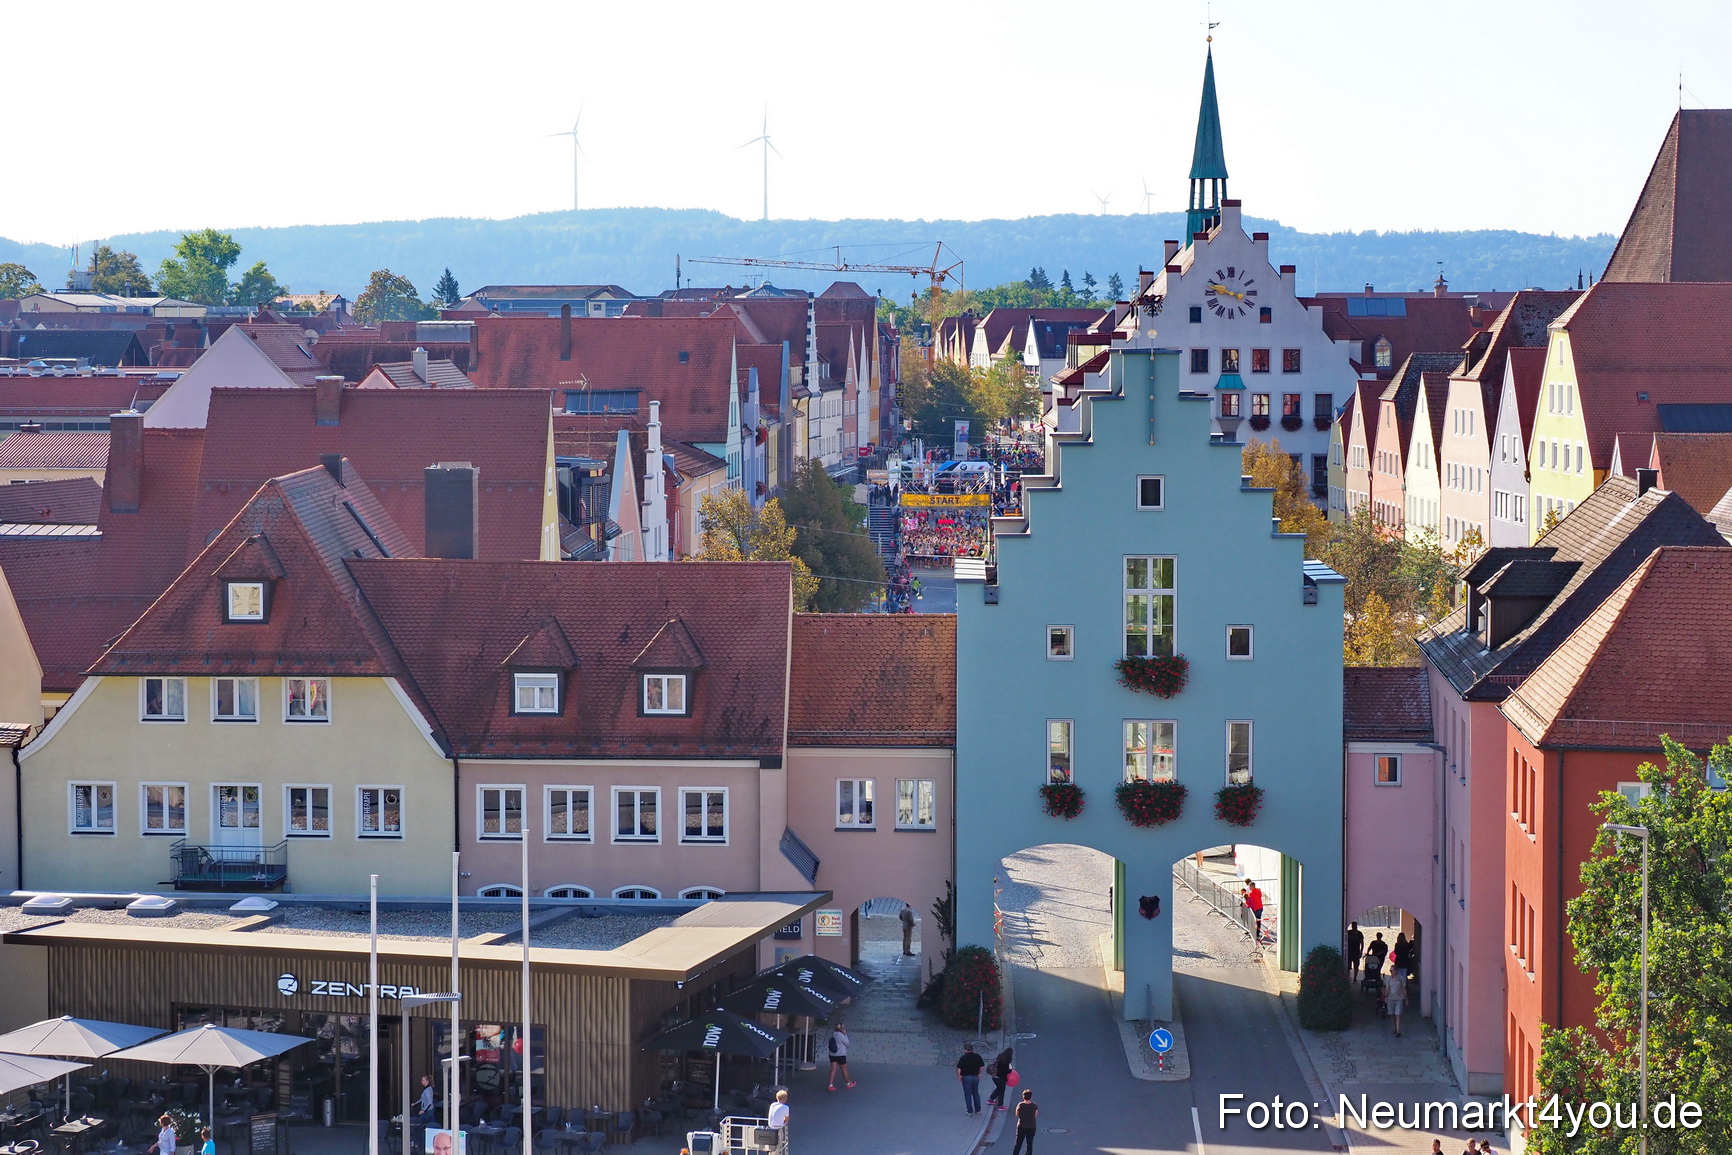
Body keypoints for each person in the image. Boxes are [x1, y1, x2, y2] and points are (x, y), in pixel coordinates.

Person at [956, 1043, 985, 1115]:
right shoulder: (977, 1056)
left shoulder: (963, 1058)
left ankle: (970, 1111)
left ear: (966, 1049)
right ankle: (978, 1110)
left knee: (967, 1094)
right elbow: (982, 1066)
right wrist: (979, 1073)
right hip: (975, 1077)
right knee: (975, 1093)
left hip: (966, 1077)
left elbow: (959, 1068)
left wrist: (959, 1076)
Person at [827, 1022, 855, 1090]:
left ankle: (830, 1085)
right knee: (844, 1069)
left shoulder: (833, 1034)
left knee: (833, 1069)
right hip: (840, 1055)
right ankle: (848, 1083)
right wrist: (845, 1035)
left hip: (832, 1054)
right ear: (841, 1028)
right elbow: (847, 1044)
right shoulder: (840, 1035)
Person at [986, 1046, 1014, 1111]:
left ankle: (991, 1099)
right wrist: (1010, 1069)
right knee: (1001, 1091)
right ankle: (1000, 1105)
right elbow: (1007, 1071)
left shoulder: (1000, 1056)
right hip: (1000, 1078)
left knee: (998, 1089)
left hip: (994, 1077)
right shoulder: (1006, 1061)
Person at [1011, 1089, 1038, 1155]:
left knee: (1018, 1143)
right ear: (1030, 1097)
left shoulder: (1020, 1105)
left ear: (1023, 1096)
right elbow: (1035, 1115)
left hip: (1021, 1126)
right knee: (1029, 1144)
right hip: (1031, 1126)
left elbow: (1017, 1114)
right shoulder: (1034, 1106)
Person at [1386, 965, 1408, 1037]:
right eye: (1390, 971)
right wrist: (1386, 997)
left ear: (1396, 971)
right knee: (1392, 1014)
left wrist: (1406, 999)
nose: (1391, 972)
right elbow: (1387, 989)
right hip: (1391, 999)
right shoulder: (1389, 979)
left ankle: (1398, 1030)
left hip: (1399, 999)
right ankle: (1394, 1028)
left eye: (1392, 970)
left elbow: (1404, 988)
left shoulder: (1400, 979)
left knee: (1397, 1014)